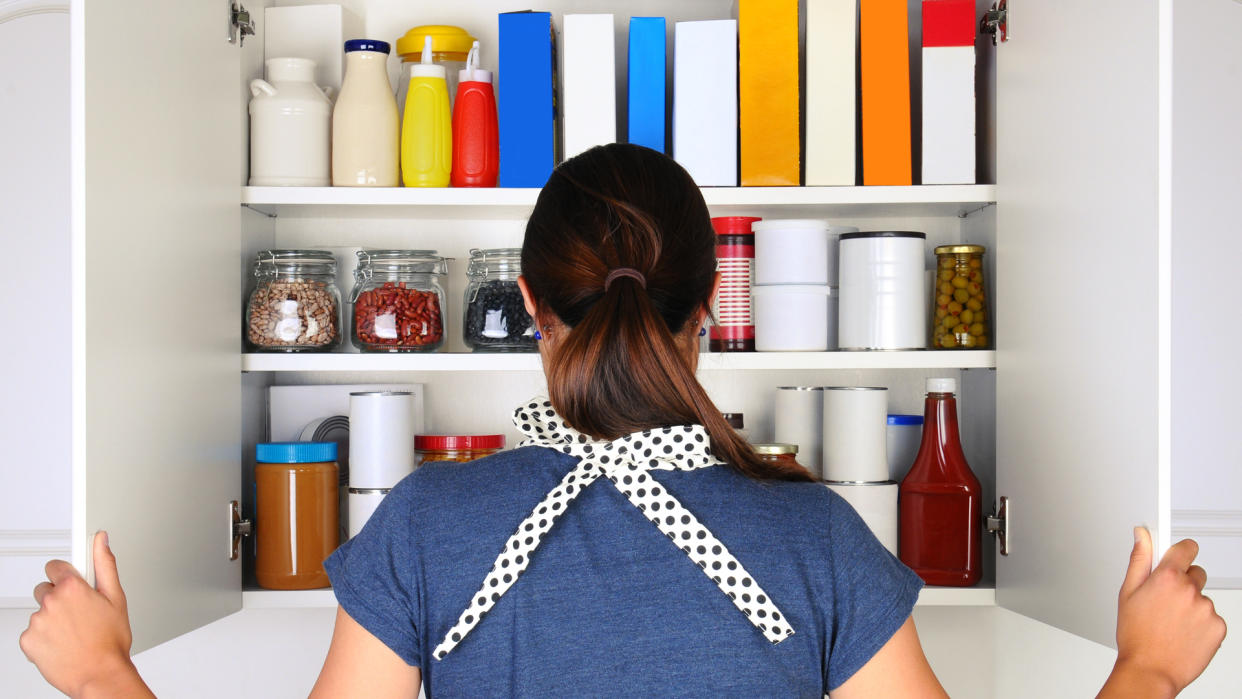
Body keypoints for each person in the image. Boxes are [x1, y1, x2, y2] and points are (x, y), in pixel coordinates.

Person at [20, 145, 1226, 697]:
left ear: (529, 304)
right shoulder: (814, 538)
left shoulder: (430, 526)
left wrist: (103, 681)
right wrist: (1150, 673)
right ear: (711, 312)